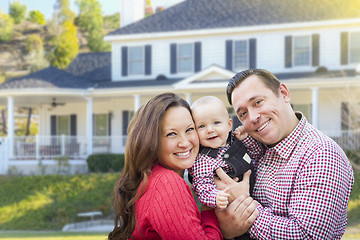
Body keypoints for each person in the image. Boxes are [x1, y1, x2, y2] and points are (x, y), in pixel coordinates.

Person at [215, 68, 354, 239]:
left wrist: (242, 206)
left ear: (284, 93)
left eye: (258, 102)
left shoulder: (321, 155)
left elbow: (307, 236)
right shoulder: (257, 148)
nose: (252, 117)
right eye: (243, 113)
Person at [107, 92, 258, 240]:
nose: (185, 143)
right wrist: (217, 220)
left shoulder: (153, 177)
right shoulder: (166, 183)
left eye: (189, 129)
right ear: (151, 141)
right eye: (171, 134)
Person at [189, 96, 256, 240]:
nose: (210, 130)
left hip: (255, 202)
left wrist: (246, 139)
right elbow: (201, 186)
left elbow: (254, 155)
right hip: (229, 212)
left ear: (229, 124)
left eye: (216, 123)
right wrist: (215, 197)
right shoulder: (203, 160)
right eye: (201, 126)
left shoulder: (236, 141)